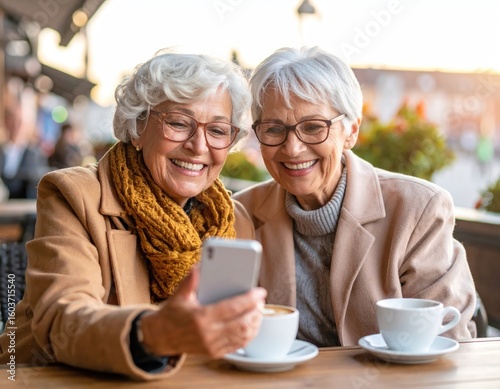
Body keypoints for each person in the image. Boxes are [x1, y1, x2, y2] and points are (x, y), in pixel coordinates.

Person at [0, 50, 266, 380]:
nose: (199, 146)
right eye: (179, 123)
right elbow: (60, 317)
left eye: (217, 130)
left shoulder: (232, 218)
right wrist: (153, 333)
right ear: (138, 127)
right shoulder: (74, 194)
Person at [233, 46, 477, 348]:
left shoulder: (418, 208)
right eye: (273, 129)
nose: (292, 148)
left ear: (351, 131)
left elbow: (448, 339)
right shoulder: (239, 213)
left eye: (313, 127)